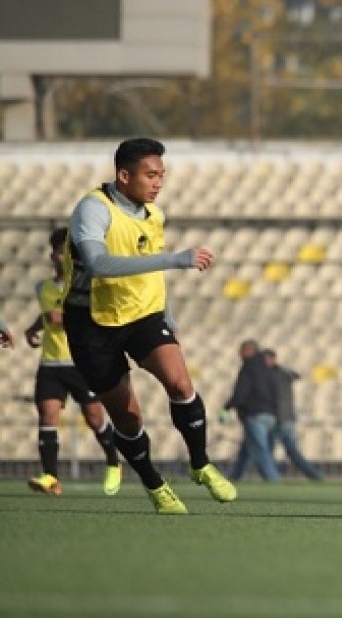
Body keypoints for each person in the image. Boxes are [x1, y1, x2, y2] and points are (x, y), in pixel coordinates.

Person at [62, 137, 237, 514]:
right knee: (128, 416)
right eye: (150, 175)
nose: (158, 183)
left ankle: (201, 464)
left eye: (162, 175)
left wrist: (167, 312)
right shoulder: (92, 210)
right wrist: (176, 260)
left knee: (180, 383)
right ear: (124, 176)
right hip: (92, 324)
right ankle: (154, 485)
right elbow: (100, 265)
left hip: (143, 313)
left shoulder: (154, 215)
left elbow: (148, 267)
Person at [23, 228, 123, 497]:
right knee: (47, 416)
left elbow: (95, 318)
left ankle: (114, 460)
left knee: (94, 418)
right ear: (52, 255)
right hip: (51, 364)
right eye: (59, 250)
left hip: (81, 362)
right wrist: (34, 329)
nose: (62, 256)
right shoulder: (42, 287)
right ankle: (51, 477)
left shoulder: (85, 286)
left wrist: (63, 319)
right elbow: (47, 315)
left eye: (67, 251)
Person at [224, 340, 282, 482]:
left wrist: (228, 406)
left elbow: (241, 391)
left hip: (254, 413)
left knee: (260, 449)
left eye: (242, 350)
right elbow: (276, 392)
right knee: (247, 448)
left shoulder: (249, 367)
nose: (239, 354)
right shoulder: (268, 369)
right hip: (269, 413)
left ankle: (273, 480)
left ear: (250, 350)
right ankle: (235, 477)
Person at [264, 348, 324, 481]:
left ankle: (273, 477)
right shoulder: (281, 373)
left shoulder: (276, 375)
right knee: (292, 452)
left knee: (267, 450)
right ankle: (316, 476)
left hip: (281, 418)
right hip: (287, 418)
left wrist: (278, 417)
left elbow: (279, 398)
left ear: (273, 359)